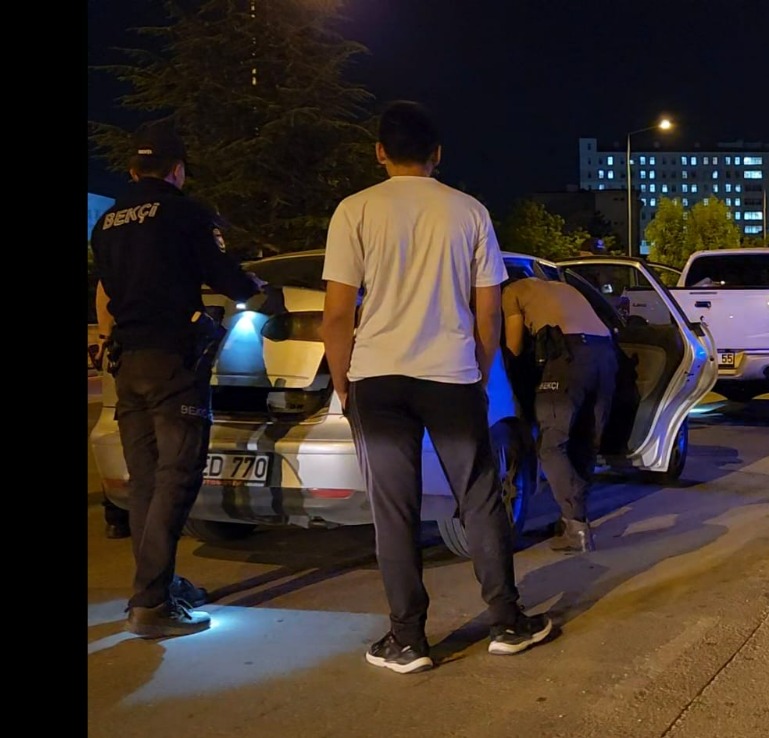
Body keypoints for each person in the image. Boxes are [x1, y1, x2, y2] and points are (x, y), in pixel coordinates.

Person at [320, 101, 555, 674]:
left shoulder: (354, 210)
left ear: (380, 152)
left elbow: (337, 313)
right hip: (450, 375)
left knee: (393, 509)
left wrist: (344, 382)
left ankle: (407, 639)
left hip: (377, 378)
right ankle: (507, 622)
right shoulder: (469, 211)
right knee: (478, 496)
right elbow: (489, 309)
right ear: (438, 154)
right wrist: (478, 369)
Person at [90, 123, 264, 638]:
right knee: (177, 476)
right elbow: (225, 274)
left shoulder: (106, 223)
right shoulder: (184, 212)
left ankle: (158, 586)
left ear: (132, 170)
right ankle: (151, 603)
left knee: (146, 480)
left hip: (128, 364)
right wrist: (256, 289)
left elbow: (108, 291)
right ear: (177, 170)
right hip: (173, 362)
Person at [501, 275, 619, 553]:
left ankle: (576, 527)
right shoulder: (562, 287)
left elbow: (514, 348)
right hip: (606, 354)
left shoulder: (511, 292)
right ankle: (571, 519)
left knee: (551, 446)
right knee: (584, 443)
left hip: (569, 356)